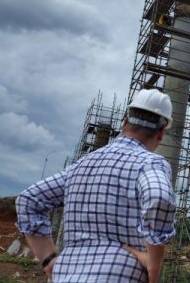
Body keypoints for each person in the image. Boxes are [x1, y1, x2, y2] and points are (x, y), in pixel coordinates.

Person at [16, 89, 177, 283]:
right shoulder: (150, 163)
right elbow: (159, 197)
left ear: (124, 122)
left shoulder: (81, 165)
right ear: (161, 133)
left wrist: (48, 260)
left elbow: (29, 199)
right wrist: (154, 263)